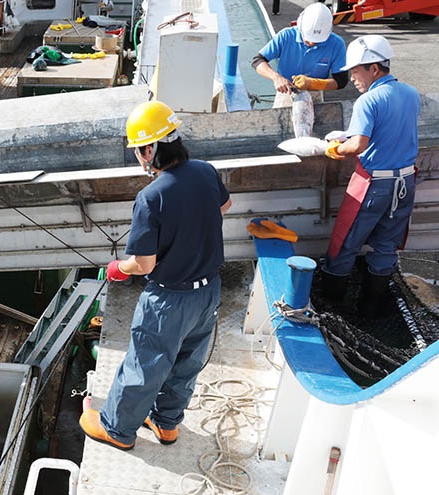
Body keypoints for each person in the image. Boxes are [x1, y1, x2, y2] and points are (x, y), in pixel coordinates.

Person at [78, 101, 232, 450]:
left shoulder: (151, 197)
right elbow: (224, 205)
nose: (138, 156)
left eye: (137, 150)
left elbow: (144, 264)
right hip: (208, 291)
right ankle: (166, 423)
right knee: (187, 362)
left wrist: (118, 269)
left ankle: (117, 429)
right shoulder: (205, 171)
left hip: (169, 300)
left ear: (150, 150)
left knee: (145, 363)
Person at [321, 35, 420, 317]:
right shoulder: (411, 93)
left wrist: (335, 148)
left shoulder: (368, 100)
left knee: (345, 243)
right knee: (386, 246)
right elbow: (391, 130)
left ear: (374, 68)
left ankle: (334, 307)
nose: (352, 78)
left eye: (355, 71)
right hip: (405, 182)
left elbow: (358, 145)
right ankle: (371, 308)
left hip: (374, 185)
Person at [252, 3, 347, 107]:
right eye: (308, 39)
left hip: (314, 94)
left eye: (316, 42)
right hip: (286, 92)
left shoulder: (336, 44)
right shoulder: (286, 36)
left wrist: (313, 83)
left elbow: (341, 81)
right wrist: (276, 78)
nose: (311, 43)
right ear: (300, 27)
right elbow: (258, 60)